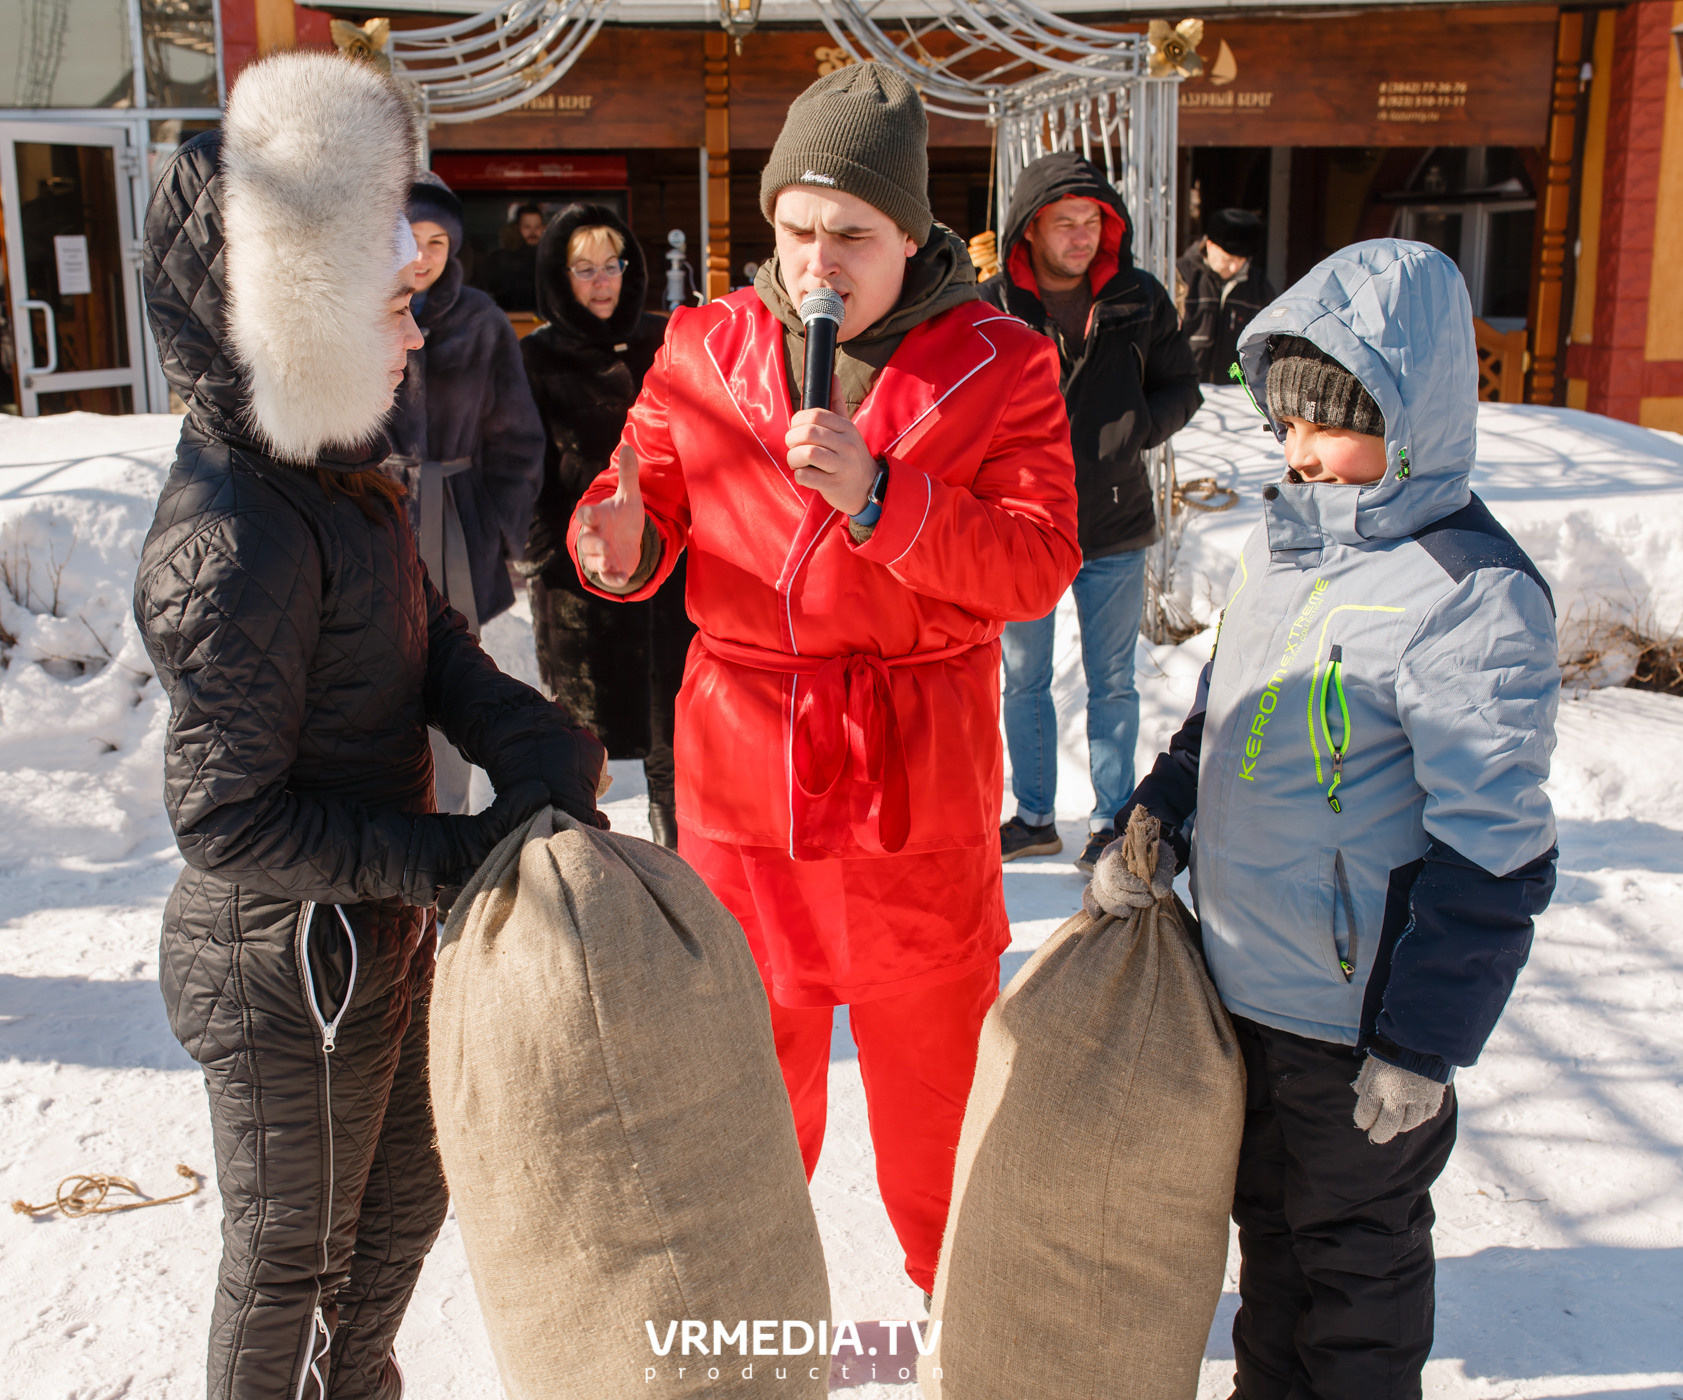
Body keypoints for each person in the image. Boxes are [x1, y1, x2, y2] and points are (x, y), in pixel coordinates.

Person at [569, 63, 1080, 1303]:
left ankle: (955, 1311)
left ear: (912, 231)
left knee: (935, 1094)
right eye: (795, 230)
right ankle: (741, 1325)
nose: (816, 263)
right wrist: (616, 537)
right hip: (748, 777)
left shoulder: (1004, 360)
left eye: (851, 233)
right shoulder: (706, 345)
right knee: (744, 1086)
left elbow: (1036, 559)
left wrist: (884, 498)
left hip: (917, 775)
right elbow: (638, 499)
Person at [134, 54, 605, 1400]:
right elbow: (224, 816)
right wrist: (443, 863)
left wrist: (528, 737)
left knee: (406, 1207)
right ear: (298, 319)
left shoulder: (339, 470)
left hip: (372, 935)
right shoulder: (233, 532)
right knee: (292, 1253)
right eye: (388, 308)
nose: (419, 334)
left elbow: (427, 646)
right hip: (288, 959)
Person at [1114, 239, 1558, 1400]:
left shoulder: (1467, 590)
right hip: (1244, 995)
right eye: (1289, 423)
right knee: (1272, 1250)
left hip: (1361, 1026)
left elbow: (1495, 848)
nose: (1303, 452)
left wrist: (1422, 1043)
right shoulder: (1286, 545)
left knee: (1357, 1277)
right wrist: (1157, 820)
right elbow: (1219, 725)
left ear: (1413, 418)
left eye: (1334, 424)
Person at [978, 151, 1202, 872]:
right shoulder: (994, 306)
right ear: (1030, 229)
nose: (1081, 237)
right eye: (1065, 223)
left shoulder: (1136, 295)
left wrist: (1134, 426)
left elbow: (1184, 385)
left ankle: (1110, 818)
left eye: (1092, 223)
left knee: (1113, 681)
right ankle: (1035, 816)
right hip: (1022, 524)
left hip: (1114, 522)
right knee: (1024, 678)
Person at [519, 204, 693, 847]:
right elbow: (521, 460)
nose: (601, 282)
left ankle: (675, 858)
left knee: (671, 729)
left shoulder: (668, 337)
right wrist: (545, 552)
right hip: (577, 578)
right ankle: (580, 868)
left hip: (666, 566)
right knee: (577, 738)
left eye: (611, 265)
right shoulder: (536, 356)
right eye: (584, 268)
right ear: (561, 276)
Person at [389, 172, 546, 814]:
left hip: (456, 512)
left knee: (453, 666)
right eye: (409, 239)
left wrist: (503, 529)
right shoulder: (354, 311)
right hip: (374, 504)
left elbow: (516, 436)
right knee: (375, 662)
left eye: (437, 243)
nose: (422, 258)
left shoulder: (481, 318)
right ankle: (391, 813)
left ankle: (447, 816)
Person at [1175, 207, 1275, 385]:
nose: (1234, 268)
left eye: (1241, 261)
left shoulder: (1260, 287)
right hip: (1185, 389)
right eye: (1228, 260)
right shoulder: (1179, 277)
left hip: (1236, 395)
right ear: (1209, 245)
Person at [482, 201, 545, 312]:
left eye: (537, 227)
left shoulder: (550, 259)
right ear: (517, 228)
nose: (533, 232)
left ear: (543, 229)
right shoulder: (501, 260)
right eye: (527, 227)